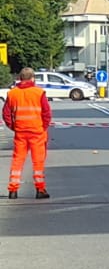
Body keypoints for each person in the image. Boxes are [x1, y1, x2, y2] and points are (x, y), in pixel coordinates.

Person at [3, 67, 52, 199]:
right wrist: (43, 127)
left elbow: (6, 114)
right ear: (32, 78)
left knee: (17, 160)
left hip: (20, 132)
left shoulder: (12, 93)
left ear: (20, 78)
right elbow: (47, 113)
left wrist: (13, 126)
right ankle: (40, 189)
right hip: (37, 132)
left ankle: (13, 190)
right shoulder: (39, 92)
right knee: (38, 162)